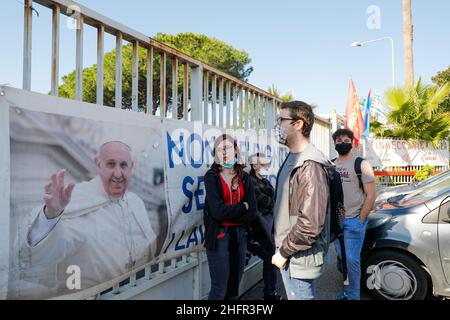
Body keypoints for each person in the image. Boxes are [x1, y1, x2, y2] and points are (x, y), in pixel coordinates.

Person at [25, 141, 157, 293]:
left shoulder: (136, 202)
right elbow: (57, 245)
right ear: (98, 164)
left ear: (131, 167)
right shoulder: (76, 198)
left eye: (123, 165)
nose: (118, 173)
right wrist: (50, 217)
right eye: (111, 164)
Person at [271, 101, 332, 300]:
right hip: (291, 254)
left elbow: (310, 224)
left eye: (281, 120)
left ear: (297, 124)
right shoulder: (293, 157)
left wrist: (284, 252)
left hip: (296, 256)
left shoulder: (310, 165)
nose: (277, 125)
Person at [203, 134, 257, 300]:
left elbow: (252, 211)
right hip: (219, 235)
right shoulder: (211, 177)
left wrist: (234, 212)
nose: (223, 152)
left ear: (235, 149)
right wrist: (242, 207)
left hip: (240, 236)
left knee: (234, 289)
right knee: (219, 290)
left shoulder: (245, 177)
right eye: (219, 149)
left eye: (226, 147)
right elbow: (217, 212)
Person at [332, 128, 376, 300]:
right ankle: (347, 292)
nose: (342, 142)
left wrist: (360, 220)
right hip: (337, 223)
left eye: (346, 139)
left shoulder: (361, 164)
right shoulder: (331, 164)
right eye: (339, 140)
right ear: (334, 143)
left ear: (352, 142)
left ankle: (354, 297)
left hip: (353, 221)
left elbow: (371, 195)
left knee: (352, 262)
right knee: (344, 260)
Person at [247, 153, 283, 300]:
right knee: (271, 259)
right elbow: (265, 202)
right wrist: (272, 201)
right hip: (257, 229)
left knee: (271, 261)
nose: (267, 166)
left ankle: (270, 292)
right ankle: (269, 293)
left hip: (267, 227)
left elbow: (274, 200)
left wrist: (272, 201)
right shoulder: (250, 181)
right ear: (255, 166)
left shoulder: (266, 182)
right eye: (263, 164)